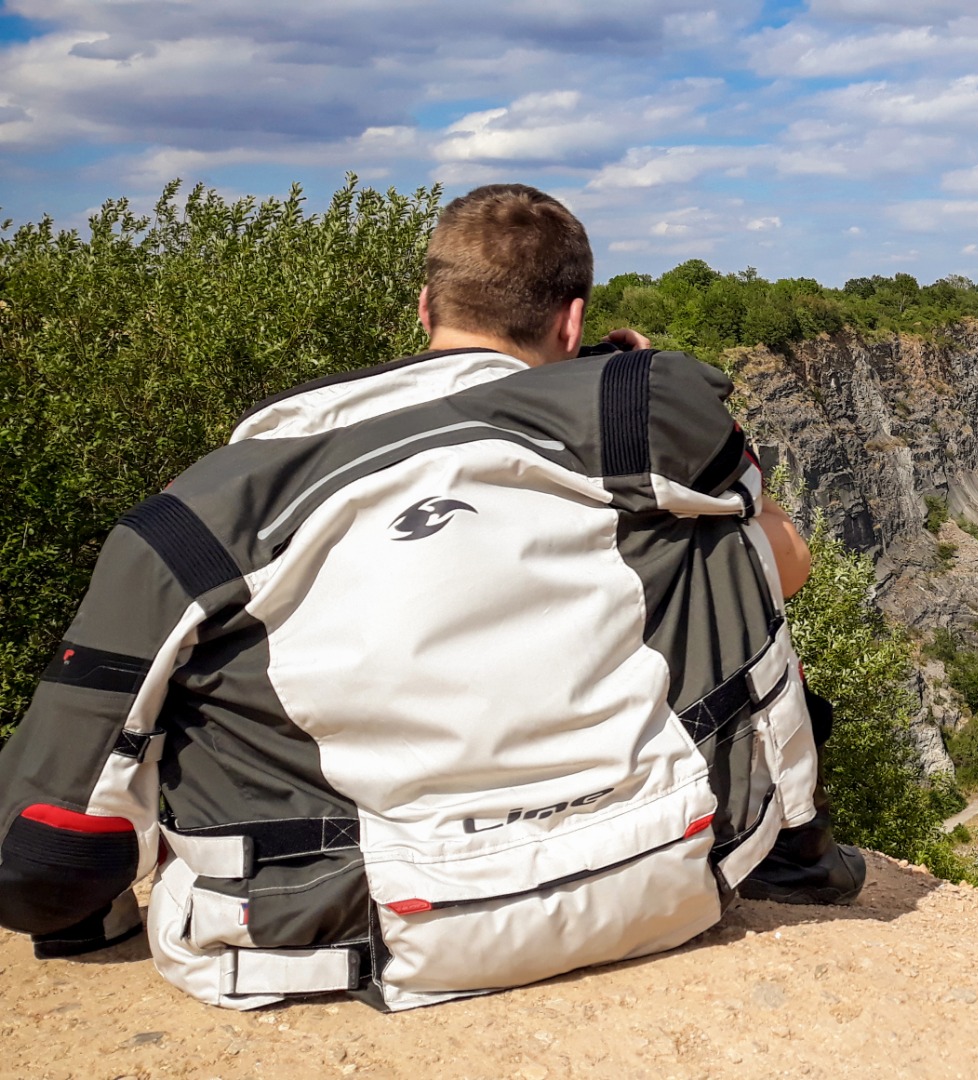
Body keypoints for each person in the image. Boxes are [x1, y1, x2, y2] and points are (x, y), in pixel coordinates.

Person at [0, 184, 861, 1011]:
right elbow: (787, 558)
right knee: (727, 539)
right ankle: (794, 849)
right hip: (656, 876)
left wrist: (87, 918)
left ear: (425, 310)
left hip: (323, 934)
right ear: (572, 321)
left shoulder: (204, 513)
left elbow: (36, 864)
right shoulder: (640, 414)